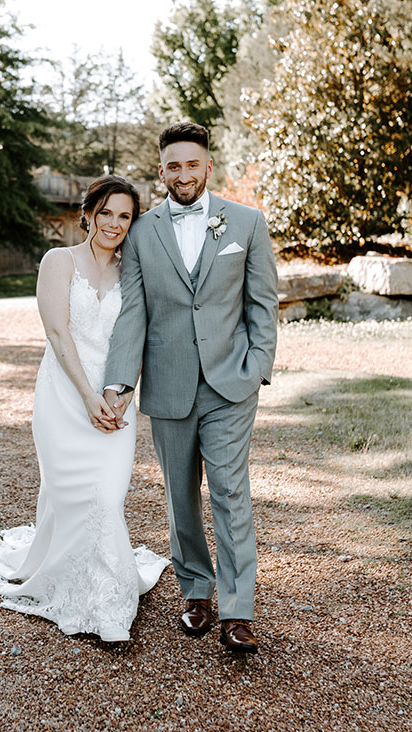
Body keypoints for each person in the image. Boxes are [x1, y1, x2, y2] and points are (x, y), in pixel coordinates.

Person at [103, 122, 278, 654]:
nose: (184, 174)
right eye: (173, 166)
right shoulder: (142, 232)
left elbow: (263, 301)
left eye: (192, 164)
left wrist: (258, 365)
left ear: (207, 165)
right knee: (181, 497)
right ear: (162, 171)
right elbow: (134, 311)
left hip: (231, 384)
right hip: (170, 384)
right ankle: (195, 591)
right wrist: (118, 381)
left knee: (230, 493)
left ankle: (238, 610)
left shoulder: (246, 222)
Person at [0, 175, 170, 642]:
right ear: (87, 212)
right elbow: (57, 332)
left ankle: (107, 595)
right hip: (65, 396)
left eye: (124, 215)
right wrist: (87, 396)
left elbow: (141, 335)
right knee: (69, 496)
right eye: (105, 212)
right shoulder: (59, 260)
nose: (114, 223)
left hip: (113, 399)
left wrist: (121, 392)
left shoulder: (135, 270)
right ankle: (66, 580)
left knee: (106, 498)